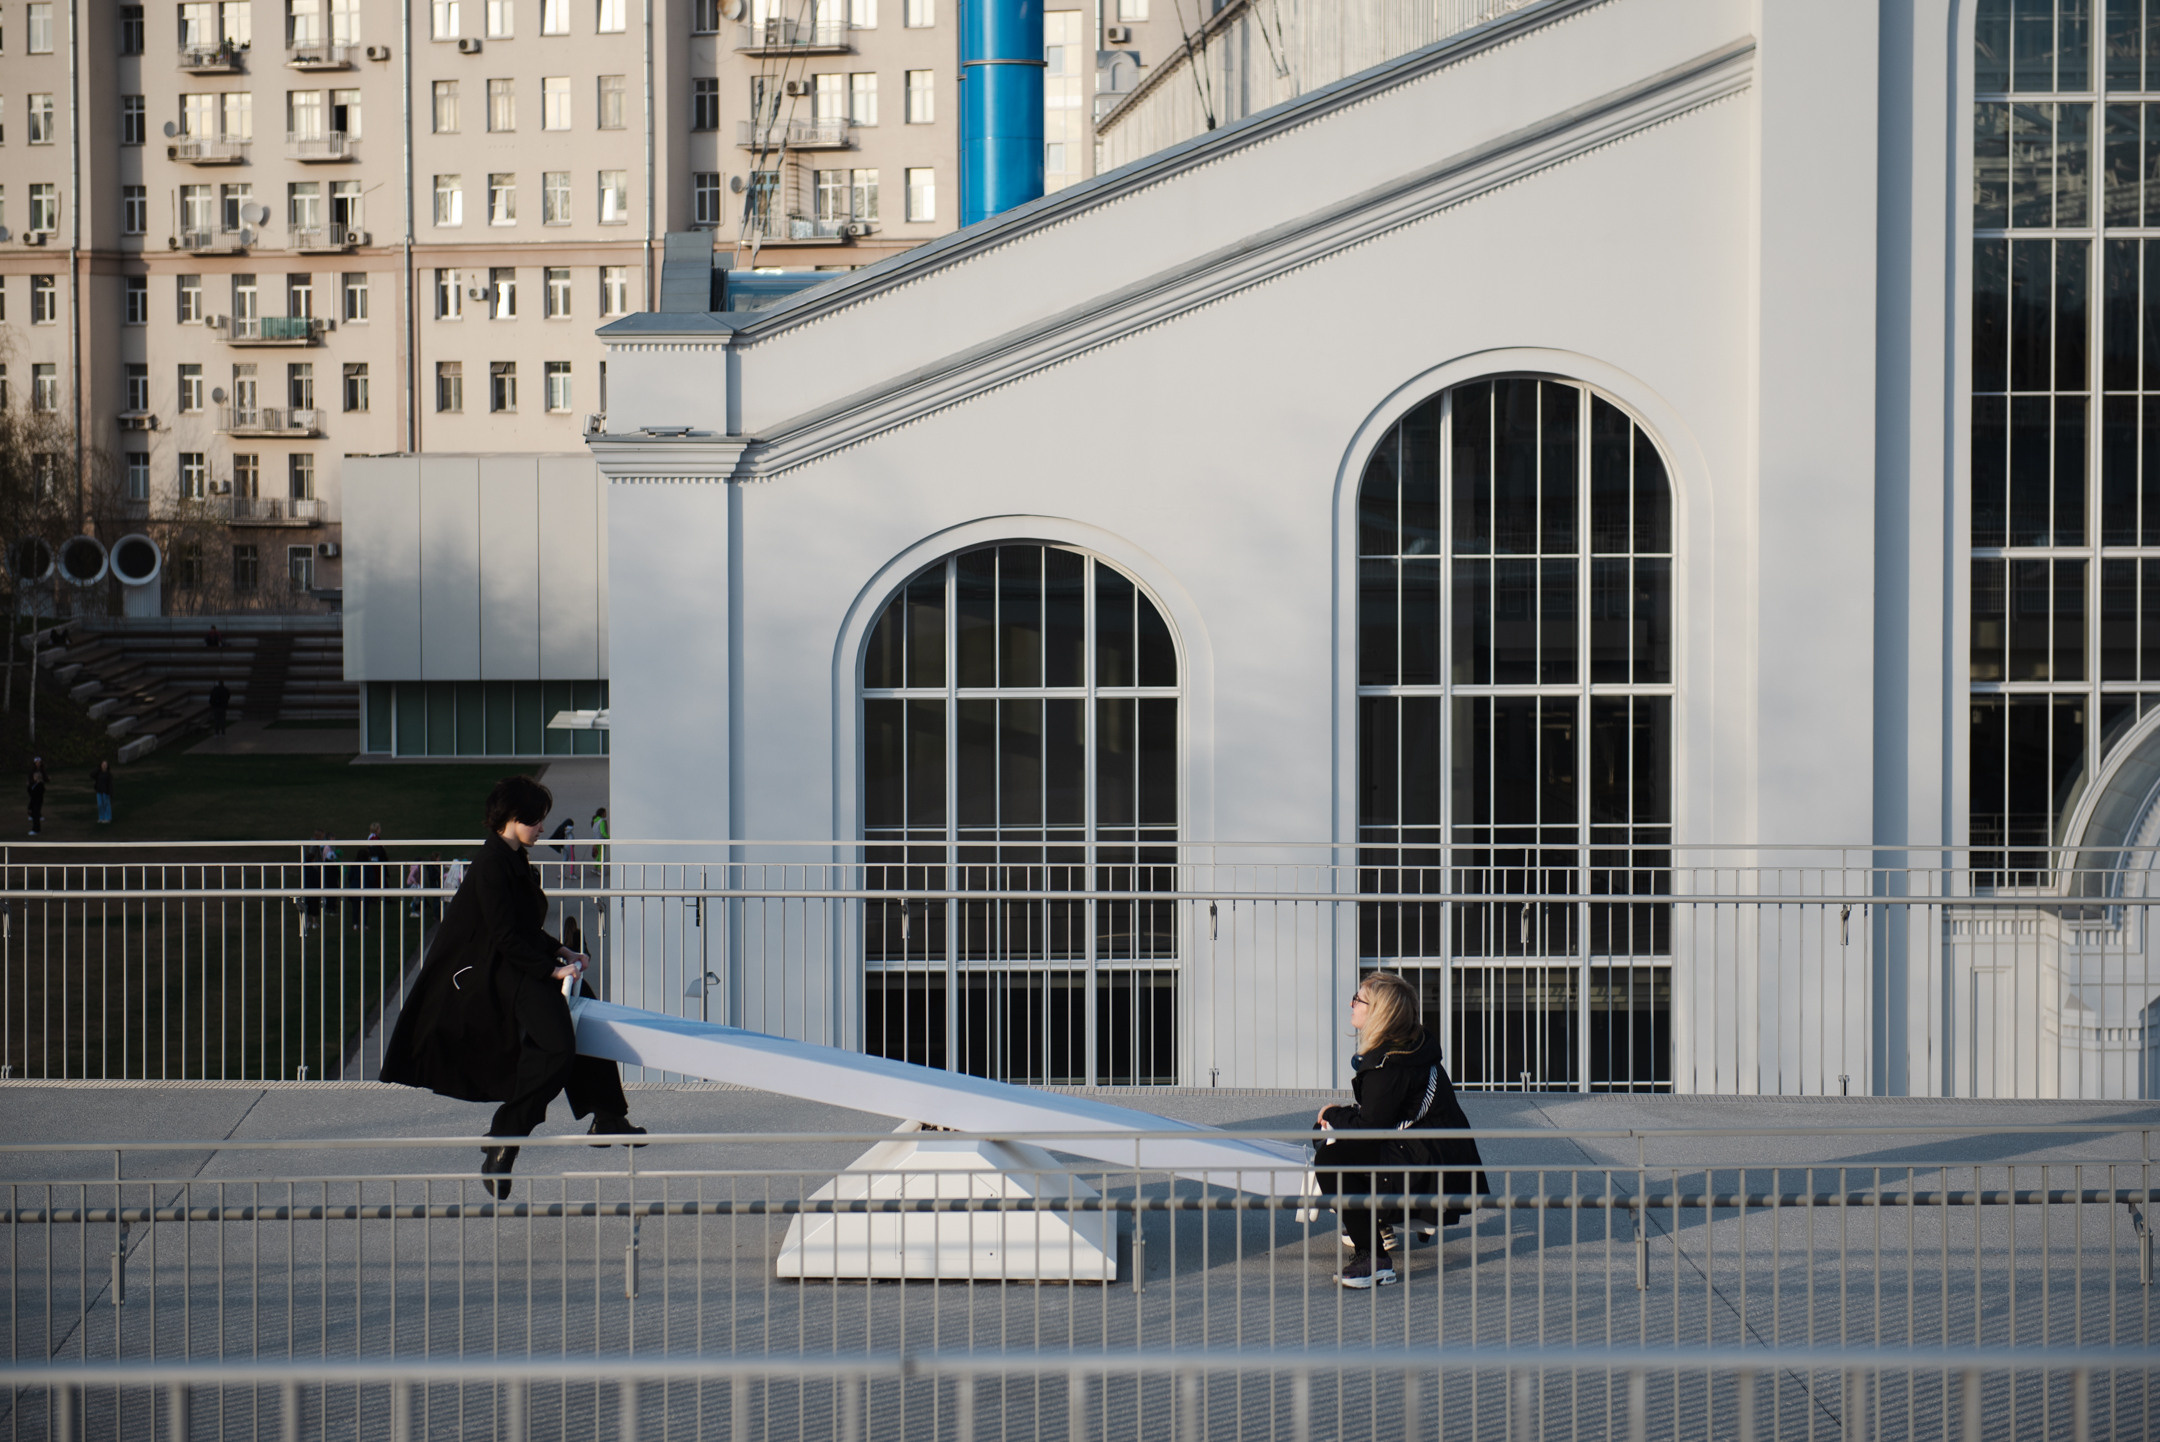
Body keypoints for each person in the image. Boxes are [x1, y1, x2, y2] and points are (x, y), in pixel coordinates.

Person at [380, 775, 645, 1199]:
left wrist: (562, 951)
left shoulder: (513, 858)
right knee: (557, 1047)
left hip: (515, 964)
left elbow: (521, 928)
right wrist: (550, 970)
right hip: (495, 975)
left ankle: (608, 1114)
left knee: (586, 1007)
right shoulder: (491, 865)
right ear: (513, 818)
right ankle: (505, 1135)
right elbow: (503, 936)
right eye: (536, 820)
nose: (543, 827)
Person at [1313, 971, 1488, 1290]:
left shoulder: (1390, 1064)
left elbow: (1370, 1130)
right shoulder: (1407, 1049)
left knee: (1330, 1158)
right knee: (1326, 1135)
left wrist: (1333, 1115)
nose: (1352, 1004)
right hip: (1435, 1156)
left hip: (1429, 1166)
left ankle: (1373, 1259)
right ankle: (1376, 1222)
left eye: (1358, 999)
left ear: (1379, 1011)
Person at [26, 757, 47, 837]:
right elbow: (30, 790)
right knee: (32, 810)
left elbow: (40, 791)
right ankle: (35, 826)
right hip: (34, 798)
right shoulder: (33, 784)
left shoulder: (39, 785)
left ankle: (36, 829)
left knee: (36, 813)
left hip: (37, 799)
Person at [90, 760, 114, 825]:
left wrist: (110, 792)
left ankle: (107, 818)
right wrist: (97, 769)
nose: (104, 766)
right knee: (100, 805)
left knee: (106, 804)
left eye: (105, 765)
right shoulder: (98, 773)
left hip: (105, 791)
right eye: (103, 764)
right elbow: (91, 775)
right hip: (99, 791)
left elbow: (110, 784)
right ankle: (101, 818)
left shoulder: (108, 774)